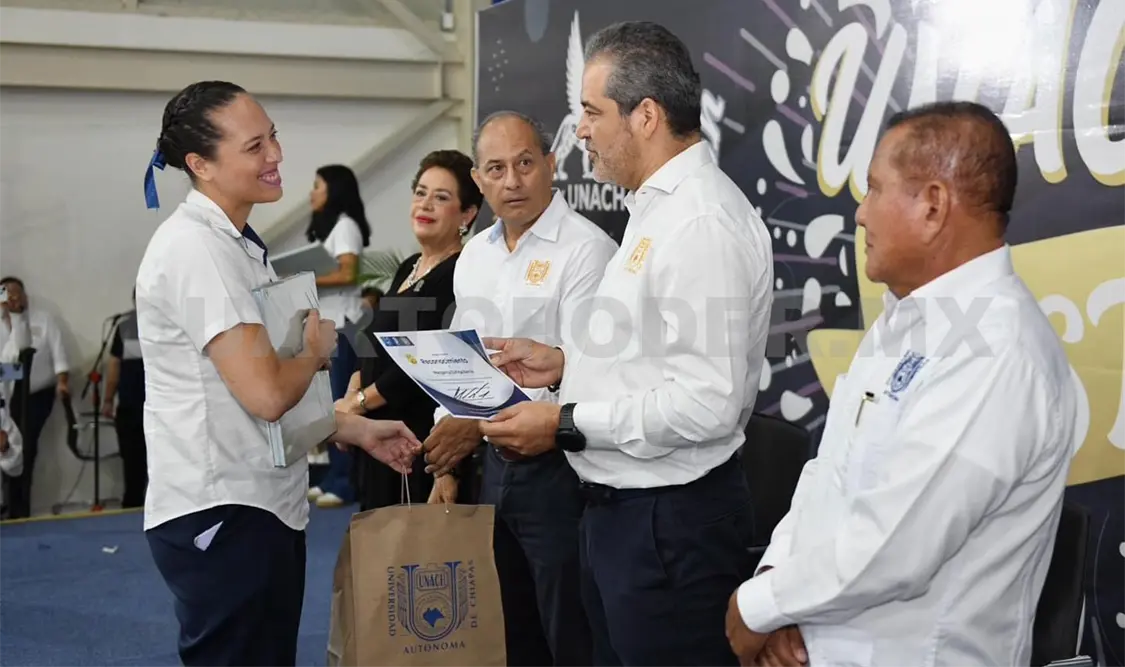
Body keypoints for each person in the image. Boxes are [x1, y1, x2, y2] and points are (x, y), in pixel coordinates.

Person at [726, 101, 1079, 667]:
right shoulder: (904, 319)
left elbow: (895, 546)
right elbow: (829, 475)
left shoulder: (998, 350)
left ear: (934, 205)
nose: (860, 214)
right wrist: (779, 586)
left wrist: (758, 606)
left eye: (873, 189)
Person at [476, 22, 774, 667]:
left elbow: (706, 404)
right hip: (628, 516)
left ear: (645, 116)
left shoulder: (698, 222)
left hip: (667, 525)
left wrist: (563, 423)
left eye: (590, 112)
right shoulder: (656, 208)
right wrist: (565, 364)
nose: (579, 130)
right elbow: (654, 354)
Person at [135, 80, 420, 667]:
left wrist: (350, 428)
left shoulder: (237, 245)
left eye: (274, 138)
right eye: (254, 146)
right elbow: (266, 393)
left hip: (258, 503)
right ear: (200, 165)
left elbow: (254, 391)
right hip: (223, 508)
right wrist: (316, 350)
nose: (276, 156)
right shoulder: (196, 249)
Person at [423, 111, 616, 667]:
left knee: (570, 631)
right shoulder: (476, 255)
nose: (513, 181)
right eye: (497, 169)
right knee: (507, 628)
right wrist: (449, 462)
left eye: (526, 163)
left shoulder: (587, 250)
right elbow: (463, 362)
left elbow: (592, 374)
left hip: (561, 469)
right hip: (492, 468)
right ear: (478, 181)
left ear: (552, 165)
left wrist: (474, 425)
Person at [339, 149, 483, 510]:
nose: (426, 204)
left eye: (441, 197)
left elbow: (416, 369)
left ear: (467, 214)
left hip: (415, 443)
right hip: (376, 439)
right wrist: (349, 401)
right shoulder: (408, 267)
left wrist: (353, 406)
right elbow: (375, 346)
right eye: (421, 192)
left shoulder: (461, 272)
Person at [304, 164, 372, 508]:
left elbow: (348, 272)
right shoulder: (325, 230)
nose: (311, 193)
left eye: (317, 186)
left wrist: (304, 279)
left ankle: (345, 482)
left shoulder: (345, 226)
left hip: (344, 325)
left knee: (339, 406)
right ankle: (333, 475)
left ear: (334, 189)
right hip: (326, 327)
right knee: (324, 405)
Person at [0, 276, 70, 519]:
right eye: (6, 295)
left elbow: (20, 356)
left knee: (23, 451)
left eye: (16, 294)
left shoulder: (41, 320)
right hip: (4, 400)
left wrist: (62, 382)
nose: (12, 299)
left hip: (33, 397)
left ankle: (20, 511)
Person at [101, 290, 148, 508]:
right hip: (154, 407)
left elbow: (114, 367)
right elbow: (114, 367)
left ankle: (133, 507)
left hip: (133, 407)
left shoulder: (125, 326)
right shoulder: (171, 322)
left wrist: (108, 400)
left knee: (133, 466)